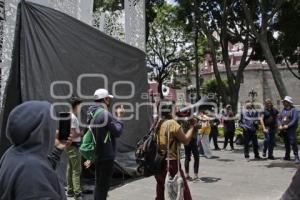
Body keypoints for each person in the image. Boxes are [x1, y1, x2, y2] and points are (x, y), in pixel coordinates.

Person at [0, 101, 72, 200]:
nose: (54, 130)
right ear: (42, 130)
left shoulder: (12, 153)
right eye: (51, 126)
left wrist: (57, 150)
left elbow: (41, 169)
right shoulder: (31, 170)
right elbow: (35, 175)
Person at [85, 88, 125, 200]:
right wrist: (120, 118)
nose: (109, 101)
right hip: (106, 155)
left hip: (97, 153)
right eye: (108, 99)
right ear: (105, 99)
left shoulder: (91, 113)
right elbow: (117, 132)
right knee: (103, 187)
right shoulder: (104, 114)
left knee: (99, 184)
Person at [155, 101, 195, 200]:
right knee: (183, 194)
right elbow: (185, 141)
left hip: (159, 163)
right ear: (169, 111)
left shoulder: (158, 122)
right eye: (174, 108)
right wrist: (192, 127)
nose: (176, 110)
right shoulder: (171, 123)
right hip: (171, 164)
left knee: (161, 193)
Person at [66, 97, 83, 199]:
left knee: (70, 168)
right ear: (76, 106)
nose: (80, 108)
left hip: (69, 146)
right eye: (80, 106)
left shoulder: (67, 116)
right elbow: (72, 135)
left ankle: (70, 190)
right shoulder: (73, 118)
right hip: (73, 146)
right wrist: (80, 133)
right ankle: (77, 193)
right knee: (76, 170)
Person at [278, 96, 299, 164]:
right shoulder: (283, 110)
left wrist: (288, 125)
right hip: (284, 129)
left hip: (291, 130)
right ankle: (287, 155)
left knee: (293, 143)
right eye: (284, 102)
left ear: (289, 103)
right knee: (286, 143)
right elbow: (279, 118)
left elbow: (294, 120)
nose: (284, 103)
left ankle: (296, 157)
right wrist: (280, 125)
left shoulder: (294, 110)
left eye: (285, 102)